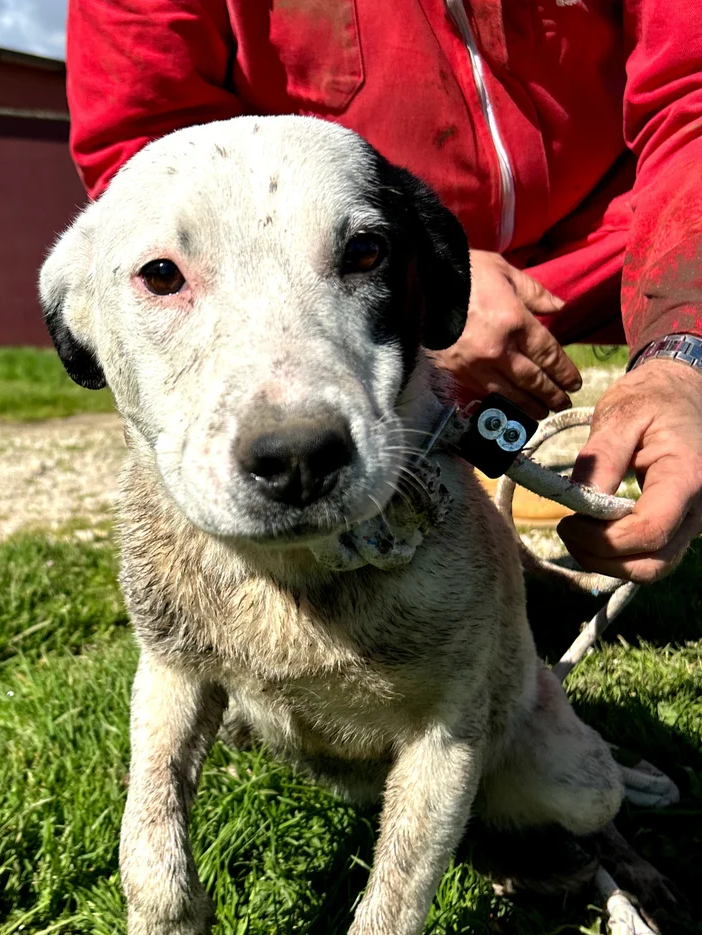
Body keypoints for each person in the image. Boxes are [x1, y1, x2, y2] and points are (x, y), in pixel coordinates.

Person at [63, 0, 702, 583]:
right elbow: (147, 150)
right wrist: (404, 284)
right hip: (367, 283)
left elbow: (693, 96)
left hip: (619, 236)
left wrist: (686, 352)